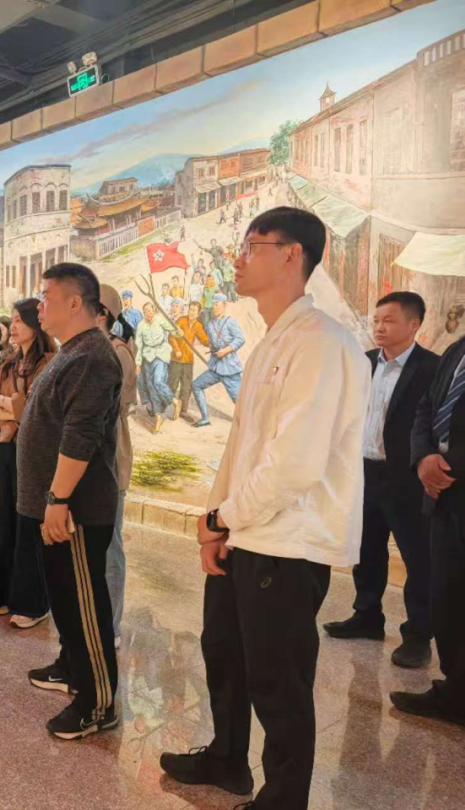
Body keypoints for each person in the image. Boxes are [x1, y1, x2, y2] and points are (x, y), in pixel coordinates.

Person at [160, 207, 370, 809]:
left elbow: (295, 464)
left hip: (288, 542)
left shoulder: (322, 343)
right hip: (247, 534)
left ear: (292, 255)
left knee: (278, 683)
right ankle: (228, 758)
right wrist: (217, 525)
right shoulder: (271, 342)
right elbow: (241, 450)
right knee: (224, 654)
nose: (239, 258)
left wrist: (223, 519)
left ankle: (283, 799)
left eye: (252, 245)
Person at [20, 263, 123, 739]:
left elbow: (80, 435)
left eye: (46, 296)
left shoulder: (93, 357)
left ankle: (98, 703)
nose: (39, 305)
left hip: (76, 508)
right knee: (65, 597)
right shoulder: (72, 352)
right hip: (55, 505)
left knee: (84, 602)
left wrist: (58, 498)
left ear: (75, 302)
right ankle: (71, 665)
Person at [324, 292, 439, 668]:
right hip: (365, 472)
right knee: (367, 549)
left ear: (414, 324)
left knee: (417, 558)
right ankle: (367, 616)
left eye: (389, 320)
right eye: (376, 320)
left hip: (408, 478)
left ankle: (418, 636)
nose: (379, 327)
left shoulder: (431, 369)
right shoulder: (365, 362)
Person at [392, 331, 465, 726]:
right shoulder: (458, 349)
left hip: (452, 478)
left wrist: (449, 464)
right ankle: (456, 692)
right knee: (447, 596)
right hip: (443, 497)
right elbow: (427, 407)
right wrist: (422, 457)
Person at [0, 298, 54, 628]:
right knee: (0, 522)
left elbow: (33, 410)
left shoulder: (49, 363)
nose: (12, 327)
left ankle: (33, 604)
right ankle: (2, 595)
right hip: (3, 449)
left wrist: (10, 406)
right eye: (11, 320)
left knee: (27, 526)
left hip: (32, 453)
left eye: (18, 321)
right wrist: (6, 407)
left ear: (35, 325)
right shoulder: (9, 363)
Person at [99, 286, 137, 649]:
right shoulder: (86, 350)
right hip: (88, 463)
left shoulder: (118, 353)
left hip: (110, 461)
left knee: (110, 547)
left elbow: (112, 409)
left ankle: (110, 626)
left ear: (102, 315)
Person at [192, 295, 245, 428]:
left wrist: (226, 350)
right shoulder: (210, 325)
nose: (215, 307)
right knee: (196, 385)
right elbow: (208, 342)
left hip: (229, 368)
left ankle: (250, 422)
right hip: (215, 367)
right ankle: (205, 418)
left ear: (224, 305)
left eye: (217, 304)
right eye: (213, 304)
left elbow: (240, 339)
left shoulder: (230, 322)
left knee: (239, 399)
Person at [134, 302, 177, 434]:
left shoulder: (160, 320)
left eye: (150, 310)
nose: (148, 313)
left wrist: (178, 332)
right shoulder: (141, 325)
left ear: (154, 311)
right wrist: (138, 363)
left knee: (158, 381)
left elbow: (173, 330)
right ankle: (158, 418)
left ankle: (175, 401)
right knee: (151, 387)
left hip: (161, 354)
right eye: (145, 311)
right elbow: (139, 346)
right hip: (147, 356)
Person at [169, 300, 209, 422]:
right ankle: (165, 407)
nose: (191, 312)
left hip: (188, 361)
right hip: (176, 358)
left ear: (198, 313)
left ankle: (183, 411)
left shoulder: (198, 326)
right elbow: (171, 336)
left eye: (194, 311)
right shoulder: (181, 320)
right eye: (190, 309)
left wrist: (213, 343)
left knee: (186, 387)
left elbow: (205, 340)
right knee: (172, 384)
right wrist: (176, 350)